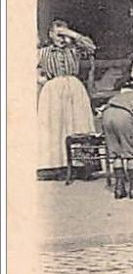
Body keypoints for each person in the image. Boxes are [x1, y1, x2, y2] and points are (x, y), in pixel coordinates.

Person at [37, 19, 96, 179]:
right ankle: (56, 166)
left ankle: (80, 164)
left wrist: (71, 34)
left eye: (64, 34)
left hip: (74, 88)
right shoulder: (43, 52)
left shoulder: (73, 50)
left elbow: (91, 47)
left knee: (77, 123)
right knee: (56, 126)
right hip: (53, 91)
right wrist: (41, 80)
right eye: (58, 34)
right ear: (50, 35)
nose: (61, 38)